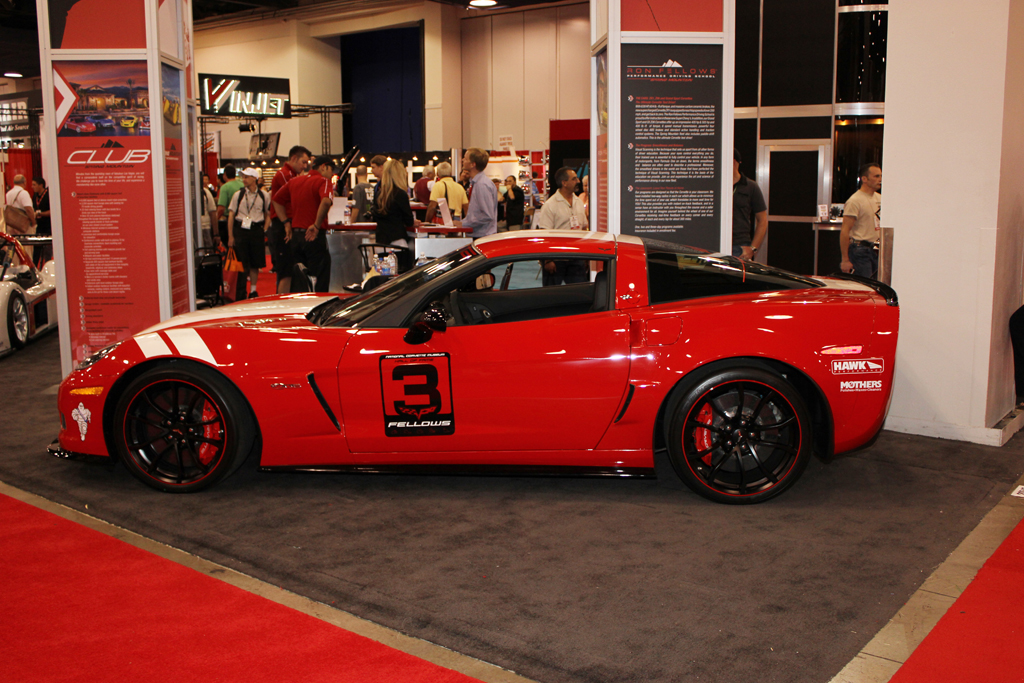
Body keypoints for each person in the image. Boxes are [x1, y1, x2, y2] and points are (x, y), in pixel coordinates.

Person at [271, 154, 335, 293]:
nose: (332, 175)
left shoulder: (295, 181)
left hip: (296, 238)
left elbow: (276, 200)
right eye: (331, 170)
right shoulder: (323, 181)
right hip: (313, 236)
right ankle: (319, 310)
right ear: (324, 167)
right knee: (320, 279)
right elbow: (326, 201)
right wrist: (317, 225)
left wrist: (286, 223)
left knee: (300, 278)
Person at [534, 166, 589, 286]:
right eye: (574, 179)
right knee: (552, 297)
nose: (578, 181)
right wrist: (547, 260)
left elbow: (584, 228)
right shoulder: (550, 205)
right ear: (564, 183)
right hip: (556, 259)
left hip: (576, 258)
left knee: (580, 294)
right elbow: (544, 235)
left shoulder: (578, 202)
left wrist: (585, 255)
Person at [267, 145, 311, 293]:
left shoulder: (293, 176)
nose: (305, 166)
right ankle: (281, 302)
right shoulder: (284, 175)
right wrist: (286, 222)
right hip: (283, 225)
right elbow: (294, 196)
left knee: (292, 267)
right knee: (285, 269)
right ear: (293, 158)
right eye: (303, 162)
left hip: (290, 223)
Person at [227, 167, 271, 299]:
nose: (244, 179)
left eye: (246, 177)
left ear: (254, 179)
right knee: (241, 262)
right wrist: (230, 235)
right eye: (243, 177)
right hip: (241, 230)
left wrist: (265, 229)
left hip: (257, 230)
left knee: (255, 262)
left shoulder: (264, 195)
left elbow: (268, 213)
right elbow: (231, 215)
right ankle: (240, 291)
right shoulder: (238, 195)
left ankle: (253, 290)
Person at [840, 163, 882, 278]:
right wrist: (845, 260)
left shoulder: (880, 198)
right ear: (864, 179)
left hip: (876, 249)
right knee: (864, 286)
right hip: (860, 250)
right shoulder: (855, 201)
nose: (880, 180)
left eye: (880, 176)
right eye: (876, 176)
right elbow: (845, 231)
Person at [372, 159, 417, 265]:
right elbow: (409, 221)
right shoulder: (400, 194)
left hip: (380, 245)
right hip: (397, 245)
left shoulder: (379, 194)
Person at [732, 149, 767, 259]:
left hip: (740, 247)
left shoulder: (751, 186)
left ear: (735, 162)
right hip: (715, 243)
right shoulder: (716, 185)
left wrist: (753, 248)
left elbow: (762, 220)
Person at [459, 148, 497, 239]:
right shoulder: (476, 183)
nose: (462, 160)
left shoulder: (482, 185)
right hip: (479, 235)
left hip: (483, 236)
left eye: (466, 159)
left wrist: (463, 224)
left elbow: (487, 215)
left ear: (473, 164)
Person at [5, 175, 36, 260]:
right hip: (23, 226)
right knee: (26, 249)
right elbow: (29, 209)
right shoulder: (23, 193)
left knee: (13, 249)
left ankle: (15, 269)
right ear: (24, 182)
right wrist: (33, 223)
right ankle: (26, 270)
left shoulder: (8, 194)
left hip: (11, 225)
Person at [216, 165, 243, 247]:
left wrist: (215, 221)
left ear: (225, 175)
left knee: (231, 244)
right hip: (244, 219)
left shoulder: (225, 187)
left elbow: (221, 208)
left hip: (231, 220)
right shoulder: (242, 184)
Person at [32, 178, 53, 264]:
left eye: (34, 184)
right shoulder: (35, 196)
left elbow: (52, 211)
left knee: (48, 250)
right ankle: (34, 268)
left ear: (41, 185)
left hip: (48, 226)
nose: (32, 187)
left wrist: (40, 214)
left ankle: (47, 266)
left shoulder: (48, 195)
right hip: (39, 226)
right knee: (36, 249)